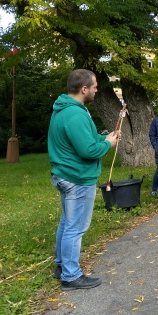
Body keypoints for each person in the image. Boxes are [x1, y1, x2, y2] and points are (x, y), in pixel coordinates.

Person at [49, 69, 120, 290]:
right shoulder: (75, 114)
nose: (97, 89)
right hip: (77, 178)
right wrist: (108, 144)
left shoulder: (65, 108)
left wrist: (104, 138)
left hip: (65, 174)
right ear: (84, 89)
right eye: (95, 86)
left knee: (67, 222)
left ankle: (61, 265)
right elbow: (88, 150)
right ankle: (70, 276)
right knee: (75, 226)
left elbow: (86, 139)